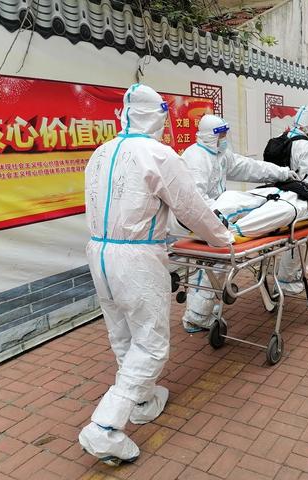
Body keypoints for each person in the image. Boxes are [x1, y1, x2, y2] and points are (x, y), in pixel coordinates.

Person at [78, 84, 233, 466]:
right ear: (157, 116)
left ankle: (143, 400)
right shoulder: (158, 154)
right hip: (136, 257)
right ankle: (106, 427)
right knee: (151, 343)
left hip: (98, 252)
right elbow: (191, 208)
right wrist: (223, 239)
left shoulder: (100, 153)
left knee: (123, 334)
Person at [179, 114, 300, 332]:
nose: (225, 139)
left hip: (215, 217)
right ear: (211, 136)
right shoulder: (196, 158)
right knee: (213, 263)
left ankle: (201, 310)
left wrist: (282, 173)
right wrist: (219, 220)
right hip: (200, 220)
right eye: (222, 135)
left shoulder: (219, 154)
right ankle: (197, 315)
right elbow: (195, 200)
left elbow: (249, 167)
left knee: (215, 264)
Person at [277, 106, 308, 294]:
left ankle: (282, 272)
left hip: (276, 198)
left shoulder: (282, 138)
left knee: (280, 241)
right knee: (297, 240)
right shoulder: (307, 147)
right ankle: (287, 281)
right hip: (296, 201)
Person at [212, 182, 308, 238]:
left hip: (300, 202)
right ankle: (212, 215)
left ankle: (230, 230)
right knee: (233, 195)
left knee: (282, 211)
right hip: (282, 189)